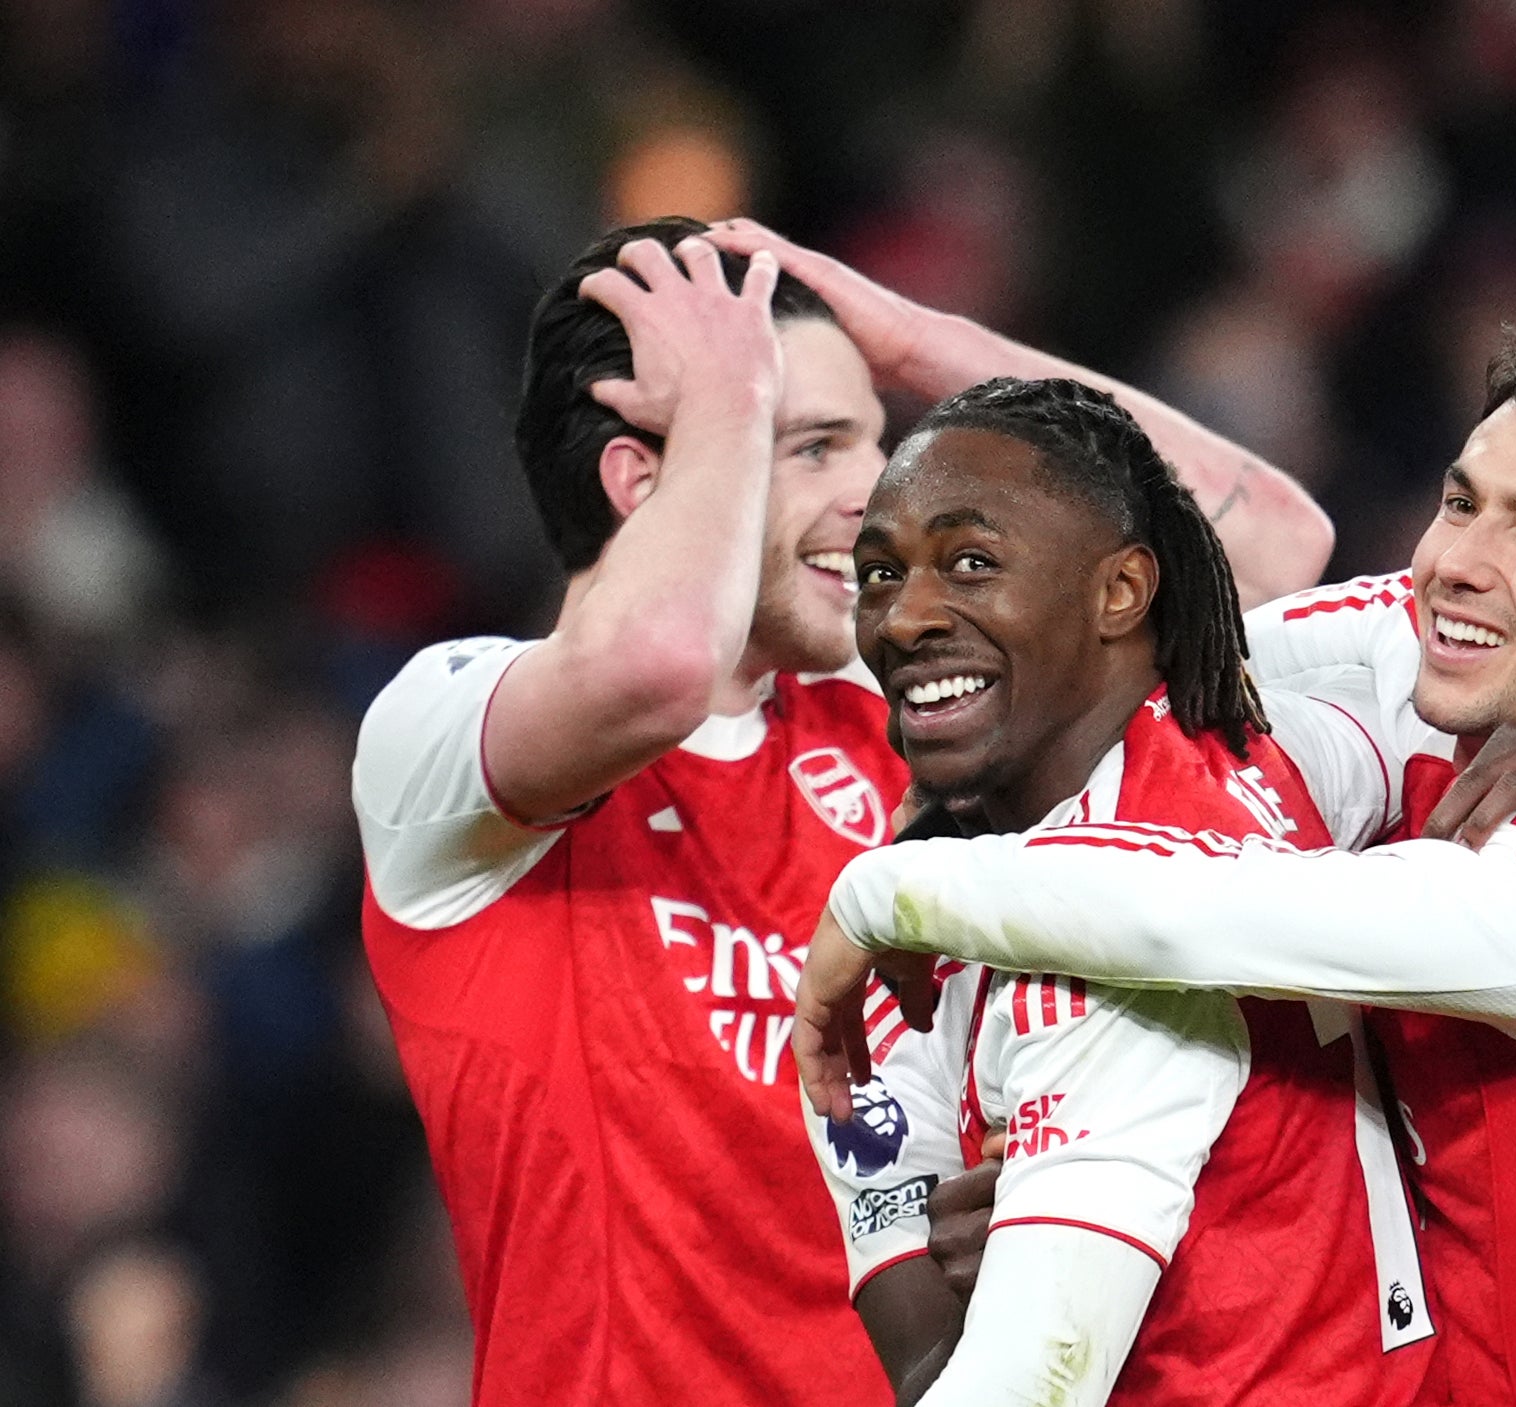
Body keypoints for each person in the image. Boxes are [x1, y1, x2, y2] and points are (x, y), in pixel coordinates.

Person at [350, 216, 1337, 1407]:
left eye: (876, 440)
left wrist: (919, 342)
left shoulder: (893, 710)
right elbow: (659, 660)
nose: (875, 495)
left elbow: (1272, 547)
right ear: (641, 477)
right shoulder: (441, 741)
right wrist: (726, 396)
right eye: (812, 446)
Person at [801, 332, 1516, 1405]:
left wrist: (884, 897)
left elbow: (1194, 915)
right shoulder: (1419, 661)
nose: (1458, 560)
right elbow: (1148, 637)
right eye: (1463, 503)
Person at [805, 376, 1437, 1406]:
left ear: (1121, 591)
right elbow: (1396, 612)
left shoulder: (1084, 967)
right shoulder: (1294, 738)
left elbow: (1006, 1384)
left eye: (972, 563)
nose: (906, 617)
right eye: (880, 573)